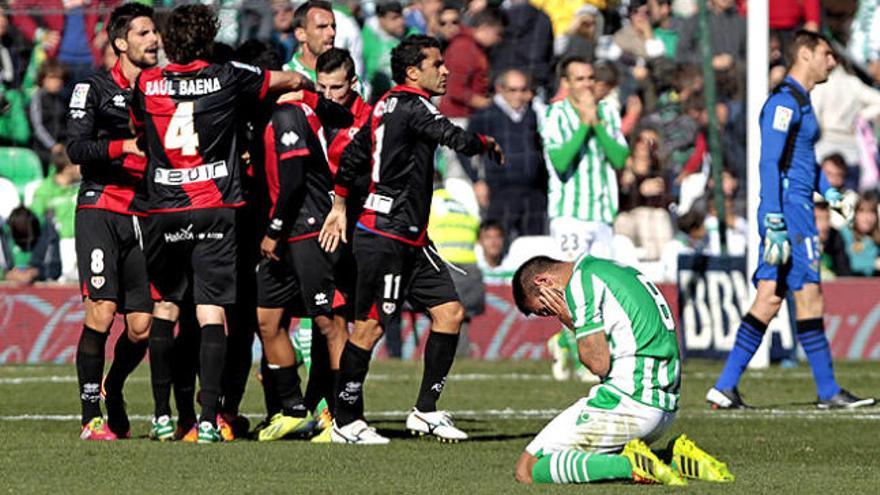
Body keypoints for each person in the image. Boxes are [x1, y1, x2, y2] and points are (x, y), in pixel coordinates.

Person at [131, 3, 313, 444]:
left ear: (168, 41)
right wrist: (301, 86)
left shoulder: (147, 82)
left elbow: (140, 131)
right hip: (217, 206)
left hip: (165, 207)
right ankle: (211, 419)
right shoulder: (228, 75)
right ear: (208, 38)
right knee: (212, 310)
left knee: (166, 308)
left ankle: (160, 416)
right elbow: (287, 79)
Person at [319, 35, 504, 444]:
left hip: (409, 237)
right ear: (412, 72)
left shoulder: (382, 106)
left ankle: (425, 411)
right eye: (436, 64)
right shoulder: (415, 104)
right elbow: (453, 136)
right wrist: (485, 143)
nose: (445, 70)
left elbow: (352, 158)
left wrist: (340, 204)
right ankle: (346, 422)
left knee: (450, 313)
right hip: (386, 237)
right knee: (368, 328)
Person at [706, 31, 875, 410]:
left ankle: (725, 385)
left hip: (796, 206)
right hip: (790, 214)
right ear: (805, 53)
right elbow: (769, 160)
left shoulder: (800, 101)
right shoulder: (783, 102)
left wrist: (827, 192)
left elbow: (801, 160)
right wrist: (773, 216)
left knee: (769, 298)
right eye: (826, 54)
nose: (832, 62)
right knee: (809, 296)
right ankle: (828, 390)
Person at [510, 255, 733, 486]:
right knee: (587, 456)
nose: (553, 314)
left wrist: (570, 320)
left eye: (545, 309)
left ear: (543, 282)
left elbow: (598, 363)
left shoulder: (580, 283)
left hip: (630, 403)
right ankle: (673, 459)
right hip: (664, 406)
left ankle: (631, 465)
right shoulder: (613, 268)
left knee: (527, 468)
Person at [256, 48, 366, 442]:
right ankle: (293, 410)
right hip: (284, 235)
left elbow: (294, 182)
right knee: (268, 320)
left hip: (306, 229)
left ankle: (343, 417)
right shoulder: (277, 114)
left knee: (329, 323)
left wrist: (274, 230)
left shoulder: (288, 114)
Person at [64, 3, 159, 441]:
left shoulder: (165, 89)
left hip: (145, 214)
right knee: (101, 312)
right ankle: (90, 418)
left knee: (141, 328)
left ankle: (114, 386)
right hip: (101, 207)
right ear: (121, 42)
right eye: (143, 33)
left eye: (154, 32)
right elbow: (77, 149)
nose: (154, 39)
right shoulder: (93, 88)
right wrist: (126, 147)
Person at [541, 56, 629, 262]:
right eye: (580, 79)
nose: (587, 84)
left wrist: (597, 124)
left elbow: (619, 159)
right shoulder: (555, 114)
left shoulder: (607, 112)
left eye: (591, 78)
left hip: (603, 214)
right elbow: (560, 162)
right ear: (566, 83)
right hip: (569, 216)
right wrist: (584, 125)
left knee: (603, 282)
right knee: (572, 279)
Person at [466, 68, 546, 240]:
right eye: (513, 90)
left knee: (534, 246)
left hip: (534, 192)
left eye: (523, 89)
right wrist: (476, 180)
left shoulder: (535, 114)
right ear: (501, 89)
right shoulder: (486, 115)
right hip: (500, 192)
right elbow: (464, 148)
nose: (518, 95)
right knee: (501, 244)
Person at [362, 1, 409, 102]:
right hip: (376, 99)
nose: (401, 22)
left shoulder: (412, 36)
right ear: (381, 19)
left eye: (401, 17)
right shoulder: (365, 38)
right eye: (394, 18)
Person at [29, 59, 69, 171]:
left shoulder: (62, 99)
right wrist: (51, 145)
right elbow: (37, 126)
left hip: (60, 148)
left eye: (60, 78)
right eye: (52, 78)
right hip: (41, 150)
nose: (57, 82)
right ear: (43, 79)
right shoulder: (37, 97)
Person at [840, 192, 880, 277]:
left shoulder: (876, 238)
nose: (867, 218)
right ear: (855, 214)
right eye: (862, 212)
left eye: (871, 212)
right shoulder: (844, 234)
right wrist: (874, 263)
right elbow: (847, 263)